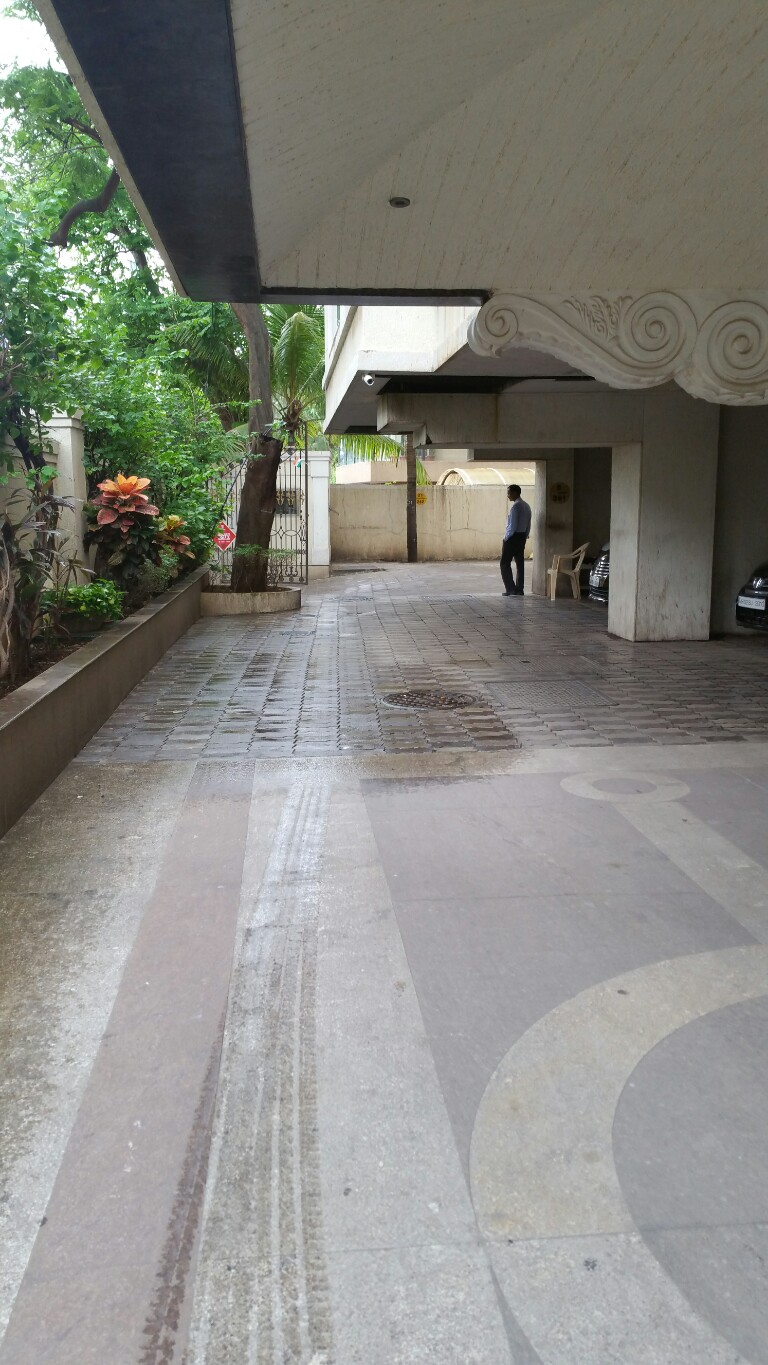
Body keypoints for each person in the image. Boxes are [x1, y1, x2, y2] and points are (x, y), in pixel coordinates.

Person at [500, 484, 531, 596]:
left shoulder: (515, 507)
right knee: (520, 564)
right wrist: (525, 536)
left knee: (504, 563)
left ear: (515, 493)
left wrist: (506, 538)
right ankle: (519, 589)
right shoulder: (527, 506)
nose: (508, 495)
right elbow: (528, 524)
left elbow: (512, 526)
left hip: (513, 537)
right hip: (522, 537)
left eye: (509, 493)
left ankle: (510, 589)